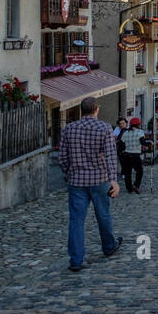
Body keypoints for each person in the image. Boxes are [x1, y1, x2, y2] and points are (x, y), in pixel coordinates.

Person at [58, 96, 123, 272]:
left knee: (76, 220)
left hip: (77, 181)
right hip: (99, 179)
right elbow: (110, 156)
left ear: (81, 110)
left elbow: (62, 158)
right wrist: (113, 180)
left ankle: (76, 260)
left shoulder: (69, 129)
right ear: (96, 109)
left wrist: (69, 172)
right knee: (103, 215)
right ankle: (109, 246)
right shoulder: (104, 128)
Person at [118, 117, 146, 193]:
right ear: (138, 124)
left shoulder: (126, 133)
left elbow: (120, 143)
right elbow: (142, 142)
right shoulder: (140, 132)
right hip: (135, 155)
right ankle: (136, 186)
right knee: (139, 171)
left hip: (126, 155)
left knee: (127, 173)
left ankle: (129, 188)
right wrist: (149, 143)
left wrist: (122, 152)